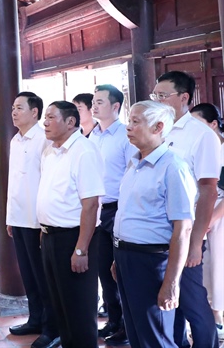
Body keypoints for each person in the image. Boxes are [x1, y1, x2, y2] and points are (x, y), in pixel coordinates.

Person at [113, 101, 196, 348]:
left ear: (158, 127)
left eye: (135, 122)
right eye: (129, 121)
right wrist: (119, 257)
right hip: (128, 256)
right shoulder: (134, 164)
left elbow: (183, 230)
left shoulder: (173, 167)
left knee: (157, 338)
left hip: (152, 262)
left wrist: (171, 283)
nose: (128, 127)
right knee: (137, 334)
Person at [153, 71, 220, 348]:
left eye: (162, 95)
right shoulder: (161, 128)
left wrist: (196, 242)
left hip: (186, 231)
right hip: (159, 229)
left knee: (192, 300)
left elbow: (208, 190)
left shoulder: (201, 135)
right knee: (171, 301)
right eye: (154, 95)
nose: (157, 100)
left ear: (183, 98)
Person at [37, 101, 104, 348]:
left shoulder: (83, 151)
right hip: (51, 236)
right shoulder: (49, 151)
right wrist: (44, 232)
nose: (45, 122)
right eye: (45, 117)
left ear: (70, 122)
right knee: (60, 305)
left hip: (74, 238)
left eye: (51, 117)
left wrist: (81, 249)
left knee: (79, 308)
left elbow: (90, 204)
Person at [7, 92, 60, 348]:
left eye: (19, 108)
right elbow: (13, 183)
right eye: (13, 108)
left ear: (34, 112)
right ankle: (35, 319)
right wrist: (9, 217)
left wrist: (43, 222)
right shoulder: (15, 140)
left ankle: (52, 328)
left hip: (37, 221)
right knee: (28, 274)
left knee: (44, 277)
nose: (14, 112)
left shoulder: (44, 140)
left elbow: (48, 182)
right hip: (19, 218)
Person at [89, 85, 137, 347]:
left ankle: (128, 326)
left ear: (116, 107)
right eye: (93, 102)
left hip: (118, 209)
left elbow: (132, 174)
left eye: (100, 102)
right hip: (96, 210)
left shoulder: (125, 136)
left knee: (120, 271)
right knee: (104, 271)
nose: (94, 106)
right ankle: (114, 321)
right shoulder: (92, 135)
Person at [190, 103, 224, 342]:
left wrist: (211, 218)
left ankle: (218, 319)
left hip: (218, 216)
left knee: (218, 269)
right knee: (206, 270)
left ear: (213, 124)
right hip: (203, 214)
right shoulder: (198, 148)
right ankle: (213, 318)